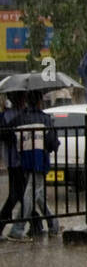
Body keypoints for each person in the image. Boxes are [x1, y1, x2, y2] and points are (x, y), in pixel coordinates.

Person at [6, 92, 59, 241]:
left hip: (25, 161)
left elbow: (7, 134)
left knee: (38, 194)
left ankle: (53, 225)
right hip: (40, 160)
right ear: (40, 102)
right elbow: (53, 143)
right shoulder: (45, 119)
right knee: (31, 194)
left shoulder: (19, 119)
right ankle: (17, 229)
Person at [0, 97, 26, 237]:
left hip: (13, 160)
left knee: (22, 194)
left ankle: (36, 224)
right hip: (17, 160)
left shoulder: (7, 115)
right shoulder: (13, 116)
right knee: (20, 194)